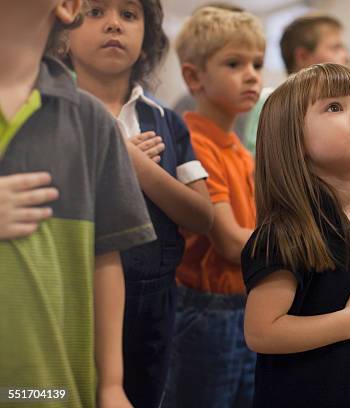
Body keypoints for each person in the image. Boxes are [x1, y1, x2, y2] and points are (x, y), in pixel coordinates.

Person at [0, 1, 156, 407]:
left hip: (50, 388)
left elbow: (105, 257)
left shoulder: (91, 123)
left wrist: (111, 384)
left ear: (67, 6)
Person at [63, 1, 215, 406]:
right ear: (64, 28)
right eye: (96, 12)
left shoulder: (166, 120)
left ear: (147, 38)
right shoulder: (52, 113)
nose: (114, 24)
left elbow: (203, 216)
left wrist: (136, 166)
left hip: (154, 304)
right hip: (69, 298)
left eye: (129, 15)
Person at [242, 63, 350, 407]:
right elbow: (261, 331)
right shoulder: (283, 233)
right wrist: (349, 322)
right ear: (293, 140)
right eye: (334, 107)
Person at [162, 6, 264, 407]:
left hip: (246, 306)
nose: (252, 73)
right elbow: (230, 242)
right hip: (207, 311)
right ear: (193, 77)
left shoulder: (242, 150)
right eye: (234, 63)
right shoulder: (193, 142)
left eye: (257, 63)